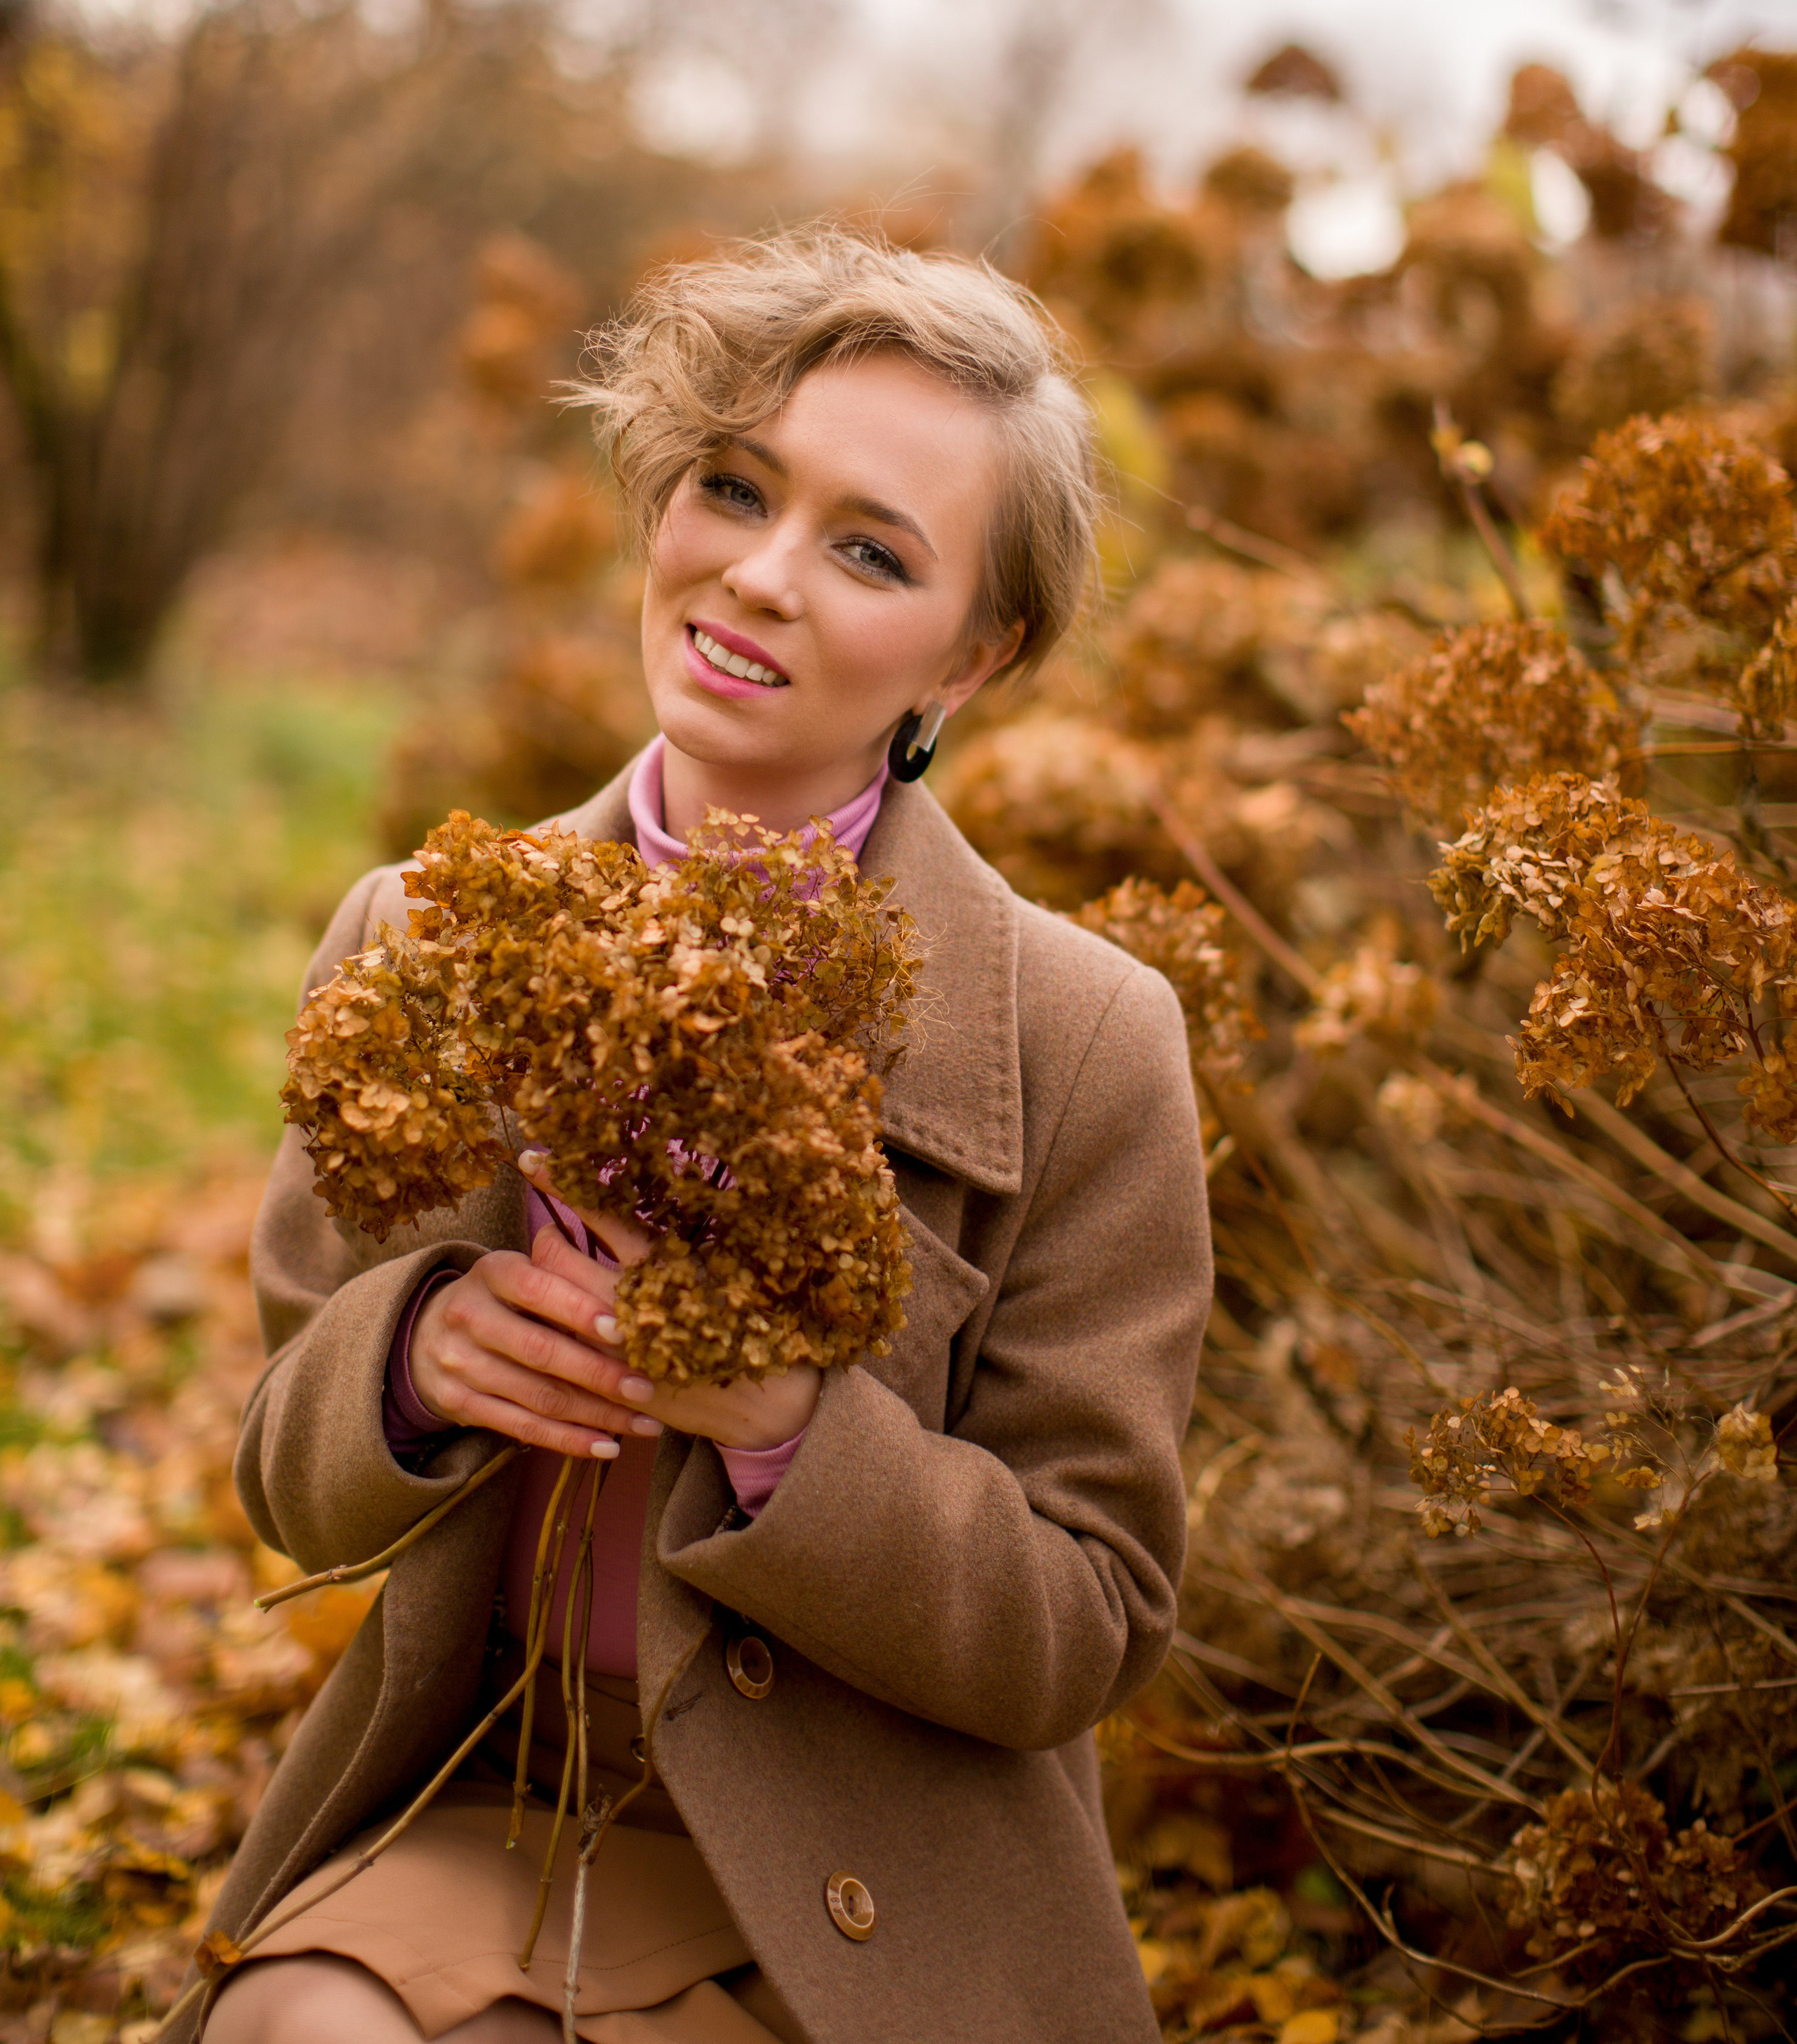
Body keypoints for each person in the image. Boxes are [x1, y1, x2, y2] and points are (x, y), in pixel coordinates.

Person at [181, 232, 1212, 2044]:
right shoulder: (419, 932)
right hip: (488, 1789)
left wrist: (793, 1440)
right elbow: (284, 1457)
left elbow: (1086, 1617)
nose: (758, 576)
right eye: (734, 487)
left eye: (870, 548)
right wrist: (412, 1359)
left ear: (975, 657)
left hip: (868, 1875)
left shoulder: (1087, 1045)